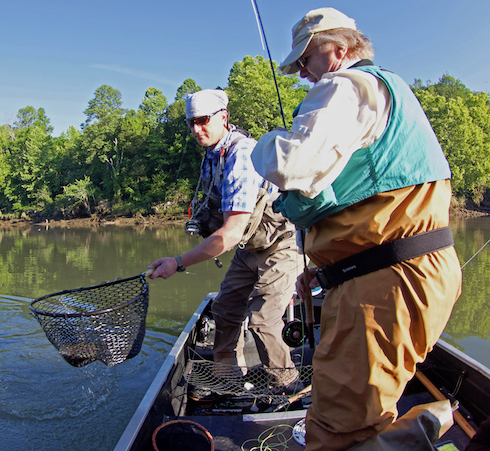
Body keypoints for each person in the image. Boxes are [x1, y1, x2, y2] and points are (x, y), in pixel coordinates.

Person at [251, 7, 462, 451]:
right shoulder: (390, 91)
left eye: (305, 61)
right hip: (412, 274)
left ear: (338, 50)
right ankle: (428, 424)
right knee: (364, 413)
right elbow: (364, 199)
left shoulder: (346, 85)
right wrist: (325, 269)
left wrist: (263, 142)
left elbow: (291, 163)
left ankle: (428, 425)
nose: (304, 75)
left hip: (385, 284)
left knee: (335, 434)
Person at [148, 89, 301, 393]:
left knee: (262, 321)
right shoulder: (212, 153)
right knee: (225, 309)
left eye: (203, 120)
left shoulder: (242, 154)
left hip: (280, 245)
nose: (196, 129)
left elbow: (231, 233)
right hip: (251, 246)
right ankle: (227, 377)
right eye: (191, 122)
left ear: (224, 118)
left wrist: (177, 263)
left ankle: (287, 387)